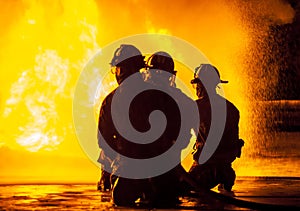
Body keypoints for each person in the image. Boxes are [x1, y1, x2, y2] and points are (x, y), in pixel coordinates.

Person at [189, 64, 244, 192]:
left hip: (205, 168)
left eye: (197, 85)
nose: (196, 88)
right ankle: (226, 175)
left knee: (178, 188)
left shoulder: (195, 108)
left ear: (201, 86)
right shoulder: (232, 108)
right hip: (225, 165)